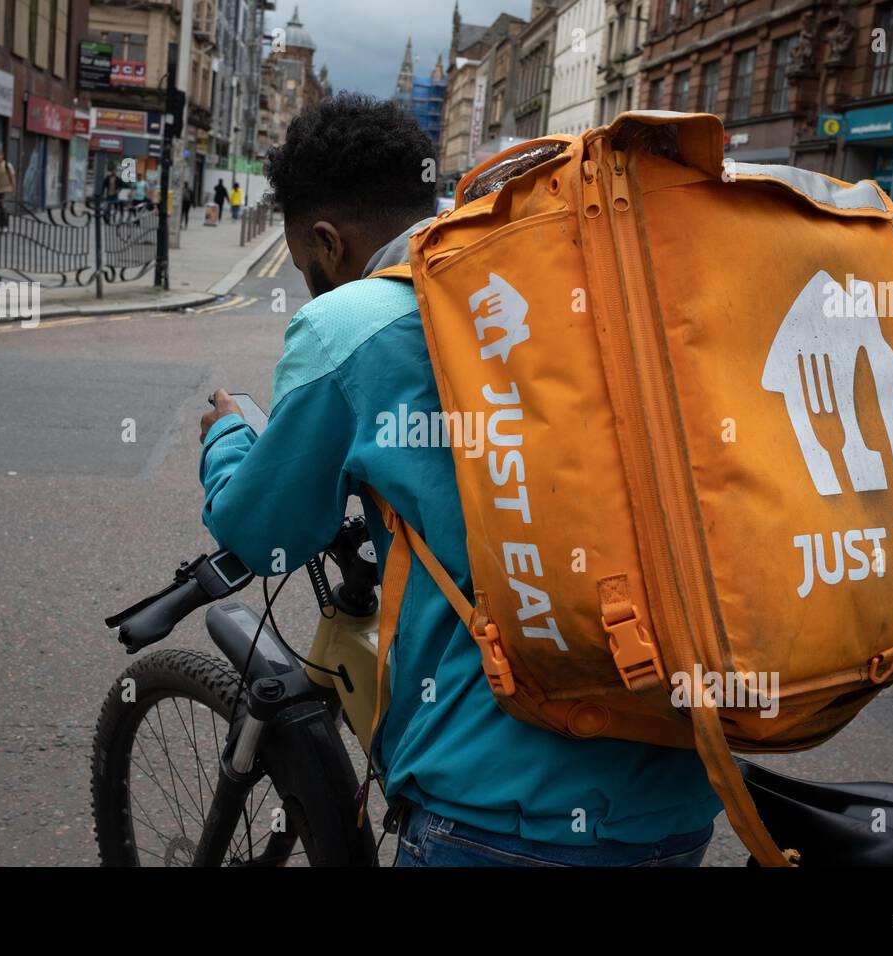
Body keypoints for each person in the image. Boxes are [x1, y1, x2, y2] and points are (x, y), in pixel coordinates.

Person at [196, 93, 720, 868]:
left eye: (309, 271)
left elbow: (261, 532)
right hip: (679, 789)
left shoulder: (357, 323)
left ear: (328, 243)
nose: (314, 287)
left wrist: (229, 440)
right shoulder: (578, 289)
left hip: (494, 813)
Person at [0, 150, 16, 232]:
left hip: (6, 188)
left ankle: (5, 225)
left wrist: (14, 188)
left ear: (2, 156)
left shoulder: (7, 165)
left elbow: (12, 177)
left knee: (3, 206)